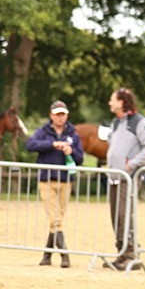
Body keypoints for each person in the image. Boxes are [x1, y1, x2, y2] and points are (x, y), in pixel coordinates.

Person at [25, 100, 84, 267]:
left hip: (66, 181)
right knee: (56, 219)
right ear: (51, 115)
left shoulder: (73, 134)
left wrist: (71, 151)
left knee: (56, 220)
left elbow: (80, 158)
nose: (60, 117)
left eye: (63, 114)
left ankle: (47, 256)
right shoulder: (43, 132)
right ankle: (65, 254)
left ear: (67, 115)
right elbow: (30, 145)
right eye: (57, 114)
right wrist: (52, 144)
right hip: (47, 181)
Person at [105, 87, 145, 271]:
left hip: (129, 177)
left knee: (124, 215)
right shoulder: (116, 122)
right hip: (114, 176)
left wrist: (131, 164)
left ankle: (130, 254)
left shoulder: (140, 122)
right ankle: (121, 253)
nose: (110, 102)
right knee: (115, 216)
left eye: (112, 99)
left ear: (121, 102)